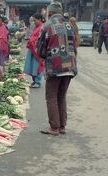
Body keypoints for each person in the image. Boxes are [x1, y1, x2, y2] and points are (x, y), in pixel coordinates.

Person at [37, 2, 77, 136]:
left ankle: (54, 128)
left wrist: (45, 56)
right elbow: (74, 46)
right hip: (70, 66)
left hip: (55, 67)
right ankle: (62, 126)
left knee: (51, 97)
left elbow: (41, 48)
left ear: (50, 13)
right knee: (61, 96)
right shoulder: (69, 25)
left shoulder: (47, 25)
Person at [24, 13, 44, 88]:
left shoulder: (42, 28)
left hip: (37, 50)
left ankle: (37, 82)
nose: (34, 22)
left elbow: (40, 39)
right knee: (32, 65)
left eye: (35, 20)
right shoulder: (36, 27)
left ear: (39, 20)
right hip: (32, 49)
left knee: (37, 65)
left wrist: (31, 40)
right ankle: (34, 81)